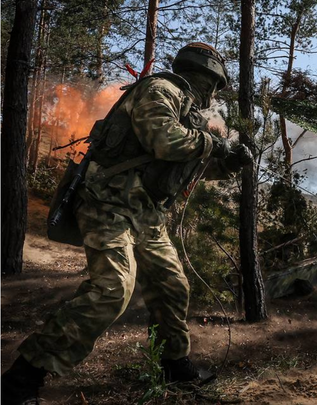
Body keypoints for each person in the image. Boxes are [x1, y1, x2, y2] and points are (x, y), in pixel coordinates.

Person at [1, 42, 252, 405]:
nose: (212, 96)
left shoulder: (187, 112)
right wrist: (214, 144)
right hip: (108, 205)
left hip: (146, 215)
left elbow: (180, 167)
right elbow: (164, 141)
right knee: (113, 289)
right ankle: (21, 380)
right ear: (210, 80)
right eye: (214, 87)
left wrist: (227, 162)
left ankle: (174, 365)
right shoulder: (161, 90)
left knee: (172, 287)